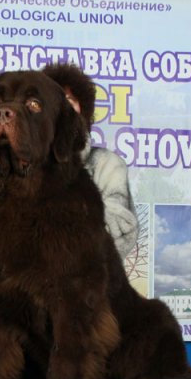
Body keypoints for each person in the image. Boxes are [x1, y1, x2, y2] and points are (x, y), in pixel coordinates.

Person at [42, 62, 139, 258]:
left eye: (69, 100)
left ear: (83, 110)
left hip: (91, 284)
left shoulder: (108, 164)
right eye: (53, 100)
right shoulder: (26, 164)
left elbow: (122, 228)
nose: (62, 108)